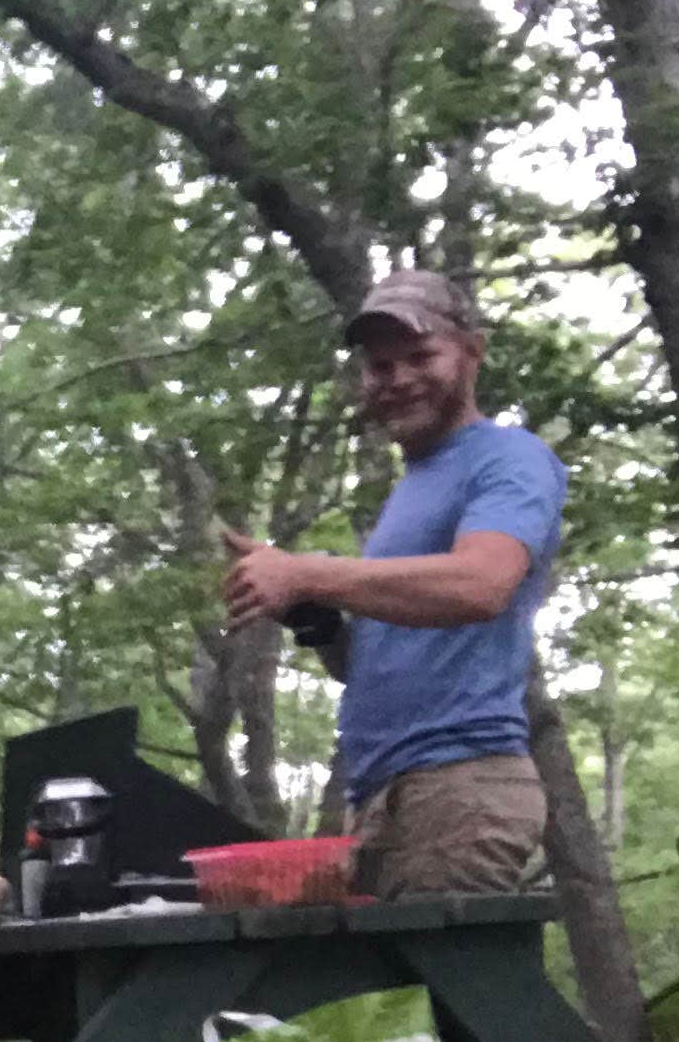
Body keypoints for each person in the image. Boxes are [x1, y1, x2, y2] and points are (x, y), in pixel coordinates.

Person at [221, 269, 568, 896]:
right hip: (384, 792)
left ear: (473, 351)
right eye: (380, 366)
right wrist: (314, 613)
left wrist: (308, 571)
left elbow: (481, 585)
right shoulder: (414, 488)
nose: (399, 378)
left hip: (461, 783)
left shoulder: (508, 458)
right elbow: (381, 663)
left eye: (420, 356)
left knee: (469, 990)